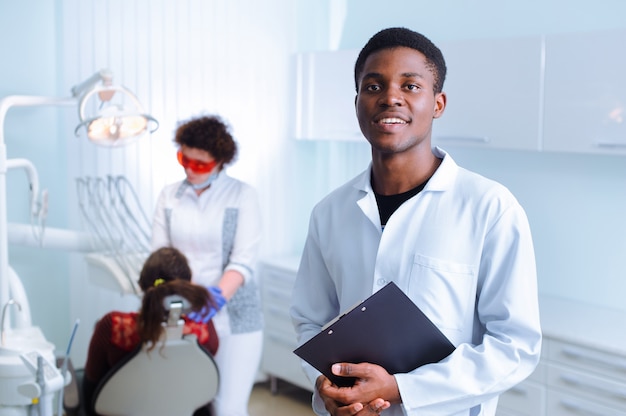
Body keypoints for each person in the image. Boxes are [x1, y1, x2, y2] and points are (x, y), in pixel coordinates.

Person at [290, 27, 542, 416]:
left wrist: (402, 389)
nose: (390, 97)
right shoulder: (330, 212)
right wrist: (329, 385)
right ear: (357, 102)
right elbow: (311, 320)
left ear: (438, 103)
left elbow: (514, 346)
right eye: (373, 87)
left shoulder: (490, 207)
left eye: (410, 86)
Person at [151, 114, 263, 416]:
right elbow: (161, 255)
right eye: (183, 159)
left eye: (200, 164)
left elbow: (242, 261)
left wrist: (213, 299)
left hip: (236, 318)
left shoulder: (242, 196)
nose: (190, 168)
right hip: (181, 312)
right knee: (184, 404)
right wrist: (171, 298)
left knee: (227, 408)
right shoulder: (169, 196)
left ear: (220, 161)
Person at [83, 246, 219, 415]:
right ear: (187, 287)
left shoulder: (114, 327)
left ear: (142, 286)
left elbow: (91, 391)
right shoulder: (204, 329)